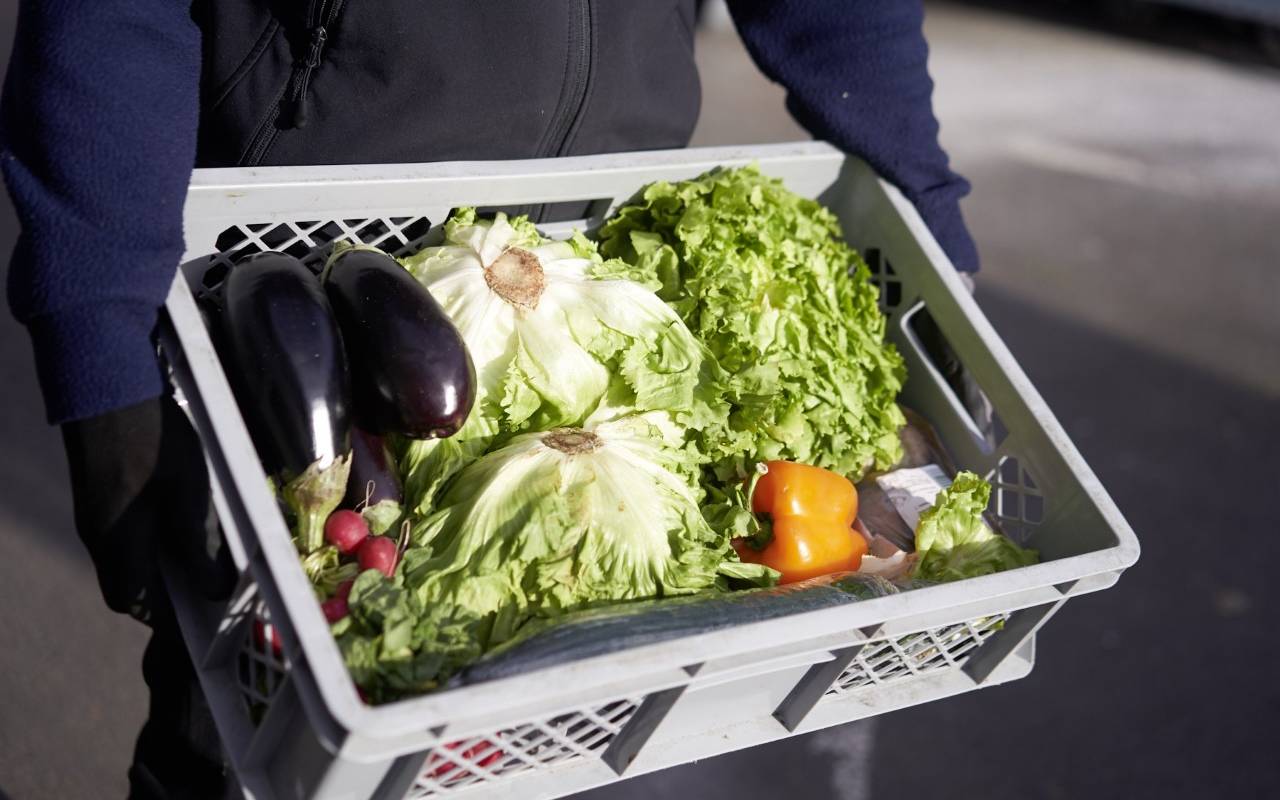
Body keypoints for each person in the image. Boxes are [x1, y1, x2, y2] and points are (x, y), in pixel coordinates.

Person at [1, 1, 978, 797]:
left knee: (565, 746)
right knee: (261, 739)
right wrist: (102, 337)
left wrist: (923, 211)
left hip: (595, 245)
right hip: (304, 288)